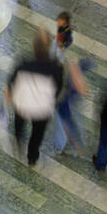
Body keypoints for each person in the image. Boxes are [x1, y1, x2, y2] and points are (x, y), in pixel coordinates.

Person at [6, 30, 64, 166]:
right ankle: (32, 157)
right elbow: (58, 89)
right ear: (49, 48)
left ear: (34, 47)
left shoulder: (23, 64)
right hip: (42, 110)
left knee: (19, 124)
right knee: (37, 134)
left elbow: (12, 84)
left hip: (23, 106)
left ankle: (19, 141)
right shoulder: (55, 69)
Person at [49, 12, 89, 155]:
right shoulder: (61, 32)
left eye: (59, 20)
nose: (57, 22)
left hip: (62, 101)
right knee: (66, 123)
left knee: (64, 124)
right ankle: (71, 143)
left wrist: (63, 46)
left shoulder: (66, 33)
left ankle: (62, 146)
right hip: (64, 98)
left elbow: (67, 41)